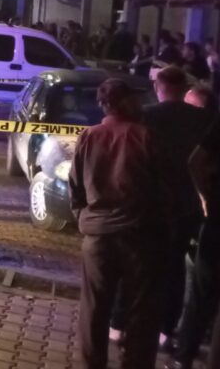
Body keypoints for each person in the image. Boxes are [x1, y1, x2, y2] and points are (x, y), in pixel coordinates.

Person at [69, 79, 162, 369]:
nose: (140, 103)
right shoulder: (145, 136)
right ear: (124, 103)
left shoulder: (89, 136)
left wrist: (85, 219)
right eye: (134, 99)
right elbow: (164, 188)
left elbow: (75, 188)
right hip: (138, 237)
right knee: (140, 312)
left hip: (97, 237)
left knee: (93, 309)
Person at [121, 67, 207, 348]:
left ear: (158, 88)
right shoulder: (203, 119)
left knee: (139, 263)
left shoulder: (144, 116)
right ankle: (166, 330)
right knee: (175, 268)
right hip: (186, 206)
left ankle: (125, 324)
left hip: (149, 203)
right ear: (183, 89)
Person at [172, 108, 220, 369]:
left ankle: (184, 356)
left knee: (203, 291)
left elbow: (195, 161)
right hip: (219, 219)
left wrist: (206, 197)